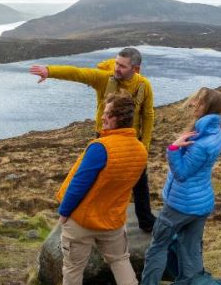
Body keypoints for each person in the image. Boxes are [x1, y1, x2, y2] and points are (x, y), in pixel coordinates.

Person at [31, 47, 157, 232]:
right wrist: (49, 71)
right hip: (105, 139)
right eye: (116, 63)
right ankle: (85, 216)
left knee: (140, 184)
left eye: (122, 66)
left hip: (132, 141)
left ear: (135, 69)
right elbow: (78, 73)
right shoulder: (104, 79)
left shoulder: (144, 86)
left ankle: (146, 222)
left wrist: (144, 145)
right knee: (93, 180)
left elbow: (148, 115)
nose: (116, 68)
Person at [55, 93, 148, 285]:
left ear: (118, 118)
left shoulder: (100, 148)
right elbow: (139, 188)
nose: (103, 117)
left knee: (73, 267)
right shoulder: (140, 150)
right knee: (120, 260)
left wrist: (64, 212)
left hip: (82, 220)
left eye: (107, 114)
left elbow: (79, 184)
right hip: (113, 220)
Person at [139, 87, 221, 285]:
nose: (193, 104)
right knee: (190, 248)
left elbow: (182, 173)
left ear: (208, 107)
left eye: (199, 102)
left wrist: (173, 148)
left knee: (158, 245)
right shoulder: (214, 132)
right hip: (201, 202)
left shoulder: (200, 142)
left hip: (181, 204)